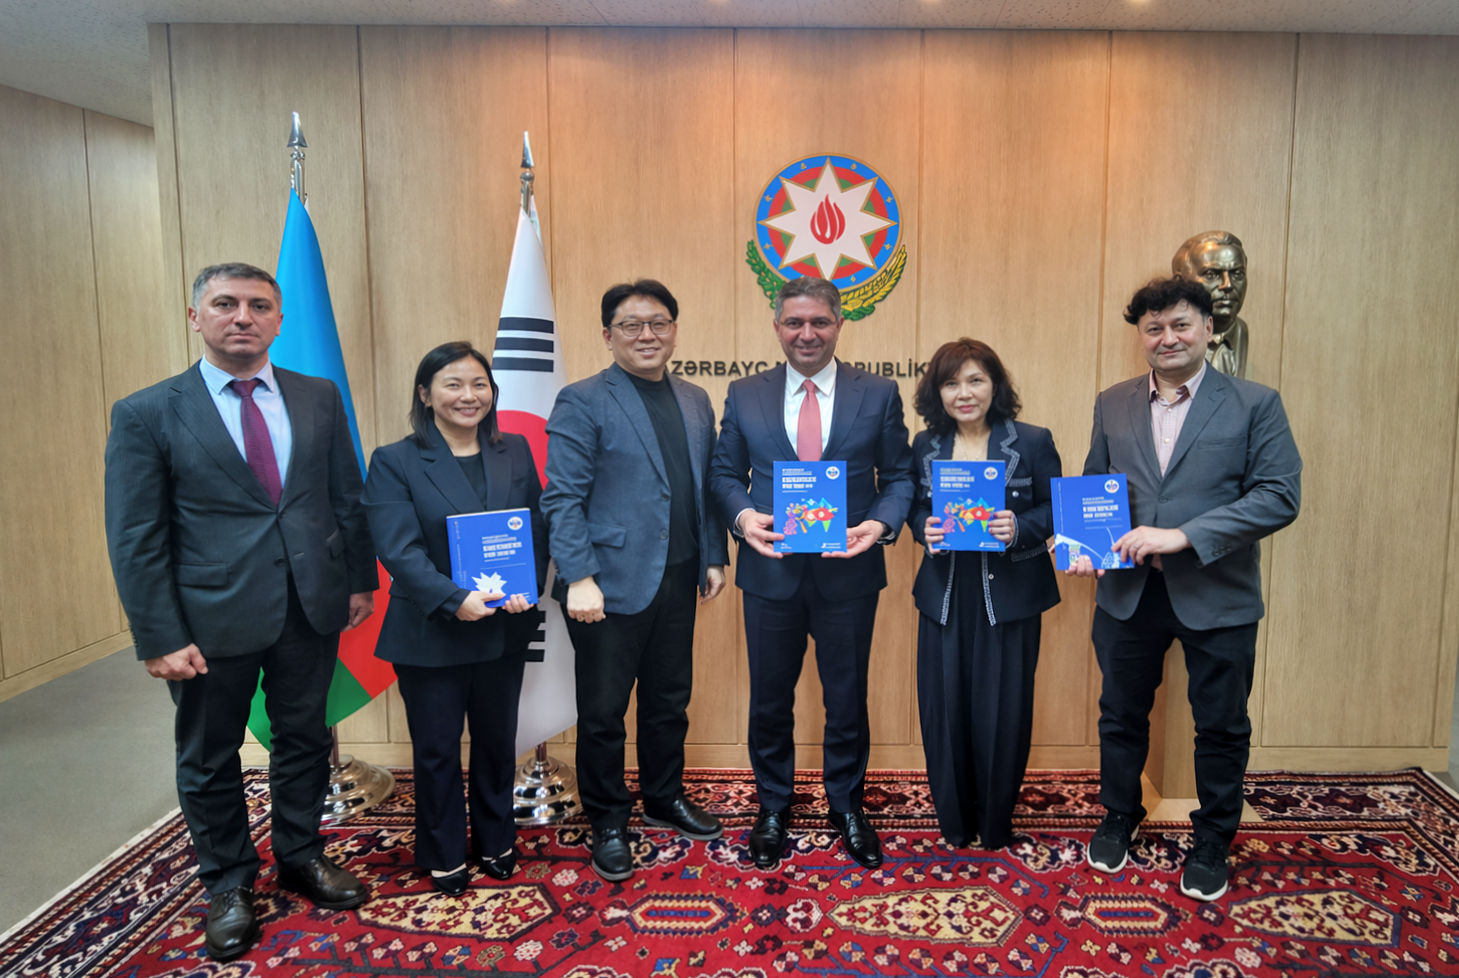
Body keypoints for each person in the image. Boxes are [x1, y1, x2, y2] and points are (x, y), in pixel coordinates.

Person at [104, 263, 378, 961]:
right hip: (207, 621)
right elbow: (136, 535)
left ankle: (300, 855)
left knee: (305, 739)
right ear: (195, 317)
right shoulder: (148, 412)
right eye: (225, 304)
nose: (243, 317)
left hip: (309, 607)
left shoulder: (317, 397)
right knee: (208, 755)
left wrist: (356, 581)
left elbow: (344, 497)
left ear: (279, 320)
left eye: (259, 305)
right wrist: (158, 634)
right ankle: (228, 882)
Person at [1069, 276, 1301, 902]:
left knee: (1221, 724)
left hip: (1218, 594)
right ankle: (1119, 815)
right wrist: (1086, 546)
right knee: (1119, 714)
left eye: (1180, 325)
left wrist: (1184, 535)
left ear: (1208, 329)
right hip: (1127, 593)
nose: (1166, 337)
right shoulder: (1112, 401)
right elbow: (1097, 486)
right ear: (1140, 337)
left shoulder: (1255, 403)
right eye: (1153, 328)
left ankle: (1213, 838)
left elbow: (1279, 497)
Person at [709, 275, 915, 871]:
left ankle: (846, 805)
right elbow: (724, 473)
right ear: (777, 326)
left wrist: (878, 527)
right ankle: (772, 806)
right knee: (770, 700)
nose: (807, 333)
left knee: (846, 699)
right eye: (794, 322)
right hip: (770, 573)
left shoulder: (877, 393)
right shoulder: (745, 394)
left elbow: (898, 477)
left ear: (839, 324)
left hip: (848, 573)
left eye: (819, 322)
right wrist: (744, 517)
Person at [541, 280, 729, 881]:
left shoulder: (697, 399)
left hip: (680, 577)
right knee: (603, 712)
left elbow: (704, 489)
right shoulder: (583, 399)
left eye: (658, 323)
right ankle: (608, 819)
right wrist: (580, 576)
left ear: (674, 329)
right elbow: (562, 499)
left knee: (669, 701)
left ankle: (663, 797)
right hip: (608, 586)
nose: (646, 335)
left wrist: (713, 555)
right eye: (631, 325)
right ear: (607, 335)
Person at [361, 342, 547, 896]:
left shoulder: (513, 449)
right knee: (438, 749)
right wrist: (450, 598)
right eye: (453, 384)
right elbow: (397, 549)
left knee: (497, 740)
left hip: (503, 628)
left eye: (479, 384)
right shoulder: (395, 459)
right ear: (426, 394)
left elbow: (533, 529)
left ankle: (497, 838)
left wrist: (525, 586)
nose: (469, 396)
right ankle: (443, 849)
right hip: (431, 630)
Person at [906, 339, 1061, 851]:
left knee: (1003, 711)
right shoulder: (924, 446)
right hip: (946, 594)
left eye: (975, 380)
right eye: (951, 383)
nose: (964, 393)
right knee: (943, 710)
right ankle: (954, 822)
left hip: (1009, 596)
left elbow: (1054, 510)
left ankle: (995, 823)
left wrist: (1017, 525)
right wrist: (921, 528)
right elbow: (913, 508)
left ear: (995, 385)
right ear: (938, 392)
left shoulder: (1033, 442)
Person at [1172, 231, 1249, 377]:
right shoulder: (1171, 340)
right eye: (1211, 275)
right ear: (1180, 283)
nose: (1228, 285)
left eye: (1237, 274)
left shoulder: (1241, 331)